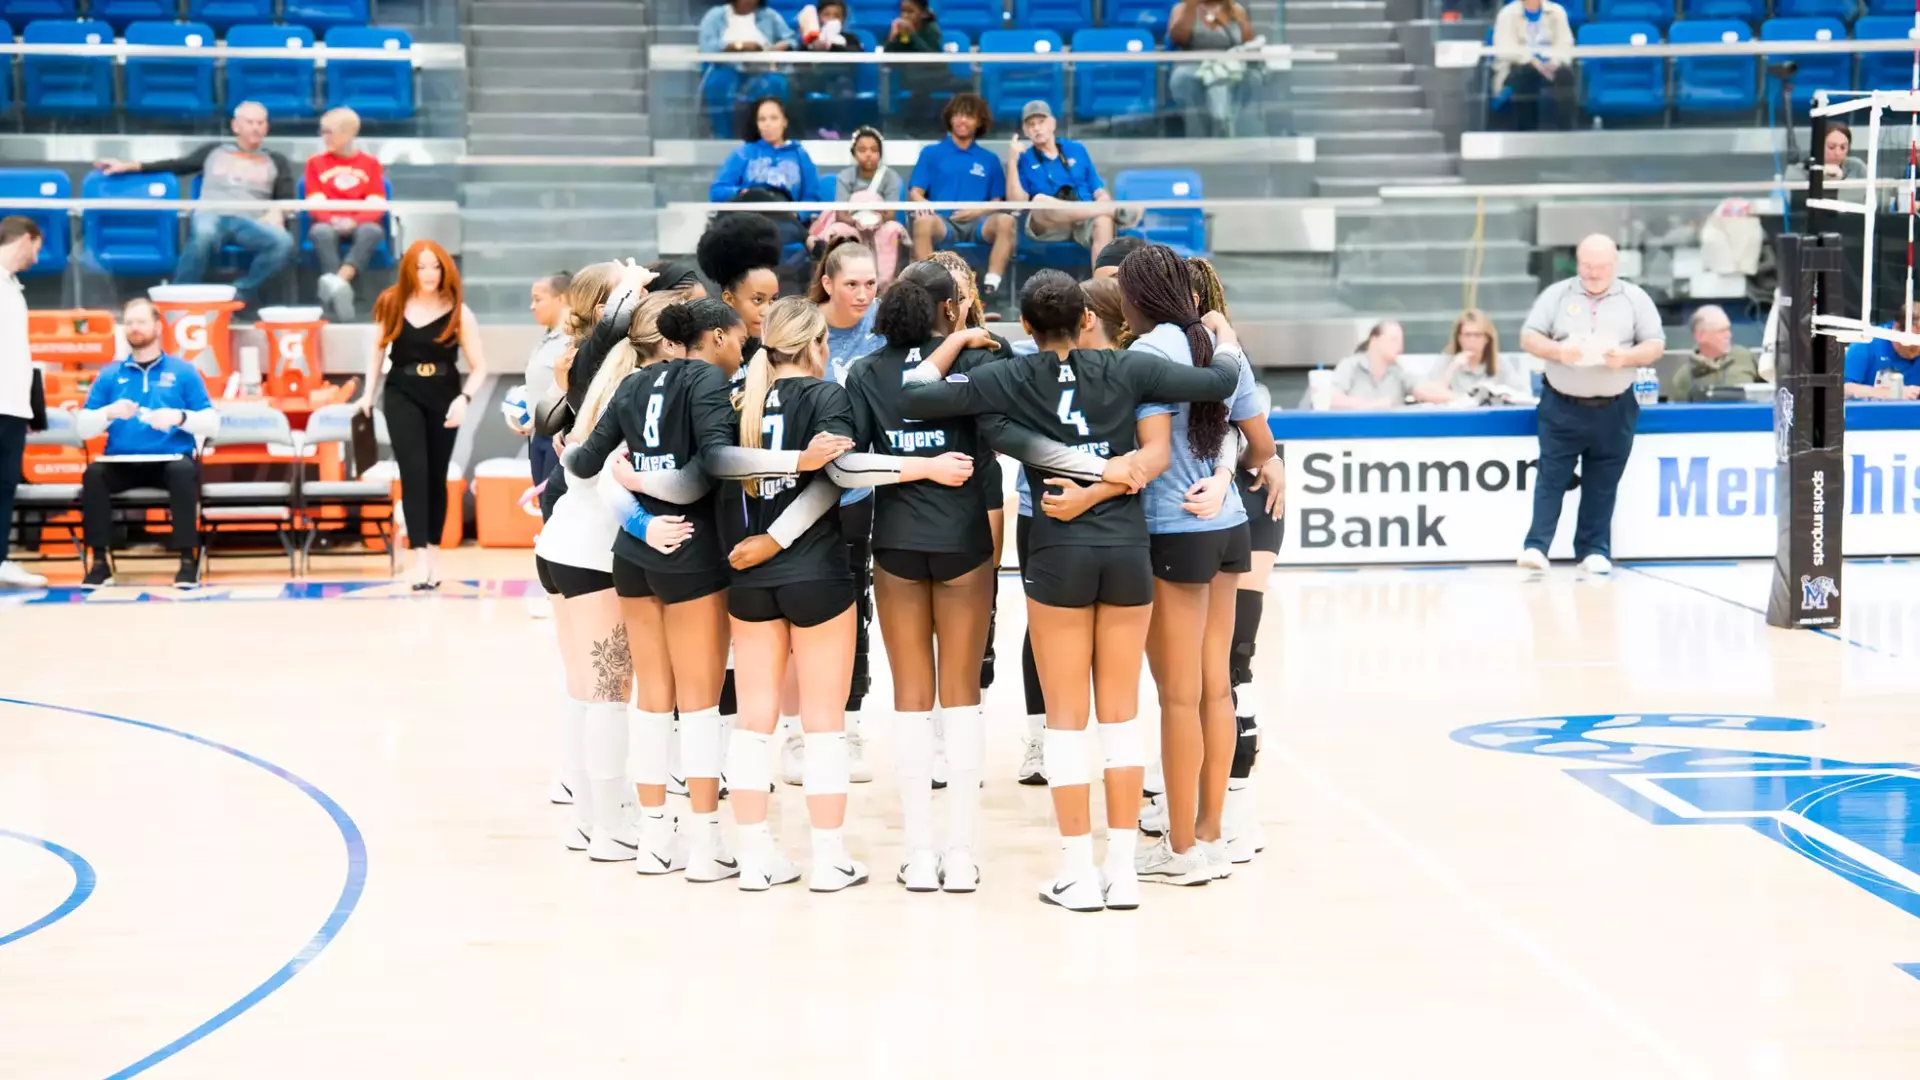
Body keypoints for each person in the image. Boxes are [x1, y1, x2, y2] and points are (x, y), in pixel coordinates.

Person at [899, 269, 1249, 913]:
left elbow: (914, 392)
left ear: (1026, 328)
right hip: (1126, 552)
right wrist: (1221, 332)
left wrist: (957, 342)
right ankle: (1120, 873)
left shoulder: (1009, 375)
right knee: (1120, 718)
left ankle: (1075, 873)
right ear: (1087, 320)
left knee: (1066, 723)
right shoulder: (1127, 370)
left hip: (1058, 550)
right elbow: (1220, 383)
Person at [1120, 244, 1280, 884]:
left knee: (1177, 696)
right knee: (1218, 688)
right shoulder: (1222, 348)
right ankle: (1214, 836)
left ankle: (1180, 848)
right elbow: (1260, 447)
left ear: (1137, 296)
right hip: (1231, 529)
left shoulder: (1147, 354)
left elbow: (1145, 448)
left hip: (1173, 528)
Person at [527, 288, 658, 862]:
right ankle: (607, 827)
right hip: (591, 555)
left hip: (558, 547)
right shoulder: (631, 400)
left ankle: (587, 816)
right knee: (608, 693)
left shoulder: (594, 394)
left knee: (584, 689)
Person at [1010, 273, 1134, 785]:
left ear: (1091, 320)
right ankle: (1041, 738)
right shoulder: (1030, 360)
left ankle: (1092, 745)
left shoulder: (1126, 373)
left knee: (1106, 642)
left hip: (1102, 521)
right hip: (1036, 506)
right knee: (1039, 634)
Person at [1190, 256, 1278, 865]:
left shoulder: (1232, 358)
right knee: (1186, 675)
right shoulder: (1154, 352)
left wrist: (1266, 459)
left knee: (1232, 662)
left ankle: (1238, 804)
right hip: (1189, 513)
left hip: (1245, 505)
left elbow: (1257, 442)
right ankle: (1188, 795)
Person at [1517, 233, 1665, 574]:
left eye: (1600, 267)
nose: (1593, 273)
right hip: (1561, 404)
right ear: (1577, 262)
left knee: (1603, 482)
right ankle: (1536, 547)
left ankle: (1593, 549)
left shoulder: (1634, 298)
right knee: (1551, 477)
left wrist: (1627, 358)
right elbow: (1529, 336)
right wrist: (1558, 351)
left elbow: (1655, 344)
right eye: (1587, 265)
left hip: (1615, 407)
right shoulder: (1556, 296)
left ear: (1615, 264)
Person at [353, 240, 490, 589]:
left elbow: (479, 366)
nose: (429, 274)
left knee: (436, 474)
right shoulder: (392, 302)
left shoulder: (458, 309)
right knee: (413, 471)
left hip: (444, 393)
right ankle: (419, 560)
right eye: (421, 267)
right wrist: (367, 394)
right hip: (402, 391)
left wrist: (464, 399)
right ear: (409, 269)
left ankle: (434, 554)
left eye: (435, 267)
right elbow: (376, 351)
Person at [75, 298, 220, 589]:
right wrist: (109, 412)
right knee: (93, 476)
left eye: (141, 321)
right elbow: (82, 428)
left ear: (157, 326)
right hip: (121, 462)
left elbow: (212, 423)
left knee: (183, 472)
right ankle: (100, 563)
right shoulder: (110, 374)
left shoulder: (184, 371)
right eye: (128, 322)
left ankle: (187, 561)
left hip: (169, 460)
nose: (134, 328)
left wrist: (178, 417)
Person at [96, 101, 296, 305]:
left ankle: (238, 294)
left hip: (250, 223)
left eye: (260, 122)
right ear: (236, 126)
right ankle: (177, 299)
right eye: (250, 122)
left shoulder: (276, 160)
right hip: (211, 215)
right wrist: (129, 166)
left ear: (267, 127)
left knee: (283, 242)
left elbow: (288, 199)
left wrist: (278, 212)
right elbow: (177, 165)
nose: (255, 127)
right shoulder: (215, 151)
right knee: (204, 235)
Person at [908, 94, 1017, 302]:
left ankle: (991, 285)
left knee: (1006, 220)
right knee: (922, 223)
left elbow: (998, 202)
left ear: (979, 122)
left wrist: (978, 211)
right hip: (943, 222)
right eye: (958, 115)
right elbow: (915, 192)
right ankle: (928, 288)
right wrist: (923, 204)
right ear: (950, 118)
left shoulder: (989, 159)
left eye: (969, 116)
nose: (962, 120)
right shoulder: (932, 153)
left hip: (979, 224)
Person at [1005, 100, 1131, 269]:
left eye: (1041, 122)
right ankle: (1114, 211)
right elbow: (1016, 202)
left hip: (1085, 219)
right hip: (1048, 225)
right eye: (1031, 124)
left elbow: (1098, 189)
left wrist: (1103, 198)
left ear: (1053, 124)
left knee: (1103, 219)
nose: (1036, 128)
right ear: (1026, 131)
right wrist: (1012, 161)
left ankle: (1102, 288)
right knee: (1040, 201)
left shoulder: (1076, 149)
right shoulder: (1025, 159)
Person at [304, 106, 388, 321]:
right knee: (321, 231)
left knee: (372, 230)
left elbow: (376, 205)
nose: (324, 137)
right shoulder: (315, 163)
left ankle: (338, 282)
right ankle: (339, 293)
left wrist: (354, 221)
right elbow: (314, 203)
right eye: (322, 131)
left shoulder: (370, 164)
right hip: (328, 221)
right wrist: (333, 220)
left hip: (359, 221)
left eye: (330, 132)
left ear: (349, 133)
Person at [0, 216, 44, 589]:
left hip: (12, 405)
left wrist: (28, 405)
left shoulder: (14, 287)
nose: (38, 258)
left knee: (4, 484)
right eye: (38, 248)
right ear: (26, 240)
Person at [808, 127, 910, 283]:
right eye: (862, 150)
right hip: (851, 223)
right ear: (854, 153)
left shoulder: (890, 177)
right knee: (839, 231)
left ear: (880, 154)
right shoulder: (845, 177)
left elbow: (890, 214)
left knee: (891, 230)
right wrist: (858, 222)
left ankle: (883, 283)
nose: (868, 154)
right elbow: (841, 214)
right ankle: (843, 280)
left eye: (873, 150)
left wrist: (874, 221)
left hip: (880, 225)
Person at [698, 0, 795, 138]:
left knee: (776, 83)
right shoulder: (715, 16)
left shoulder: (769, 16)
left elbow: (791, 40)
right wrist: (737, 46)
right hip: (726, 68)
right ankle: (724, 138)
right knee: (718, 84)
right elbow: (706, 47)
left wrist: (780, 46)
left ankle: (767, 139)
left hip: (762, 70)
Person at [697, 212, 785, 360]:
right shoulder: (709, 354)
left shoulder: (780, 350)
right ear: (729, 299)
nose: (767, 311)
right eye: (758, 300)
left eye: (773, 299)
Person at [1167, 0, 1261, 137]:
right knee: (1185, 77)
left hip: (1229, 65)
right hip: (1193, 64)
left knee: (1226, 80)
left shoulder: (1236, 10)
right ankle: (1210, 132)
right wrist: (1191, 7)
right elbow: (1178, 39)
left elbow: (1248, 42)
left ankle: (1222, 128)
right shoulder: (1182, 9)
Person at [710, 97, 824, 208]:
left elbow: (812, 198)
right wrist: (742, 193)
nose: (767, 124)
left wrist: (797, 215)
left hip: (786, 218)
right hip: (749, 216)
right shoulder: (744, 152)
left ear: (784, 122)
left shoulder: (800, 155)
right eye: (762, 119)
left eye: (773, 118)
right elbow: (717, 191)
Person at [1489, 0, 1573, 132]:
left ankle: (1566, 133)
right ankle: (1527, 132)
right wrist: (1532, 61)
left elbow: (1565, 45)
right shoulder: (1507, 14)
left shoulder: (1557, 12)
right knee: (1527, 74)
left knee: (1566, 75)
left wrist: (1554, 62)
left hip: (1550, 67)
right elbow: (1505, 50)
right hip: (1517, 68)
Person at [794, 0, 867, 137]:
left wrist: (832, 44)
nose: (831, 19)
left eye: (836, 15)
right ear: (819, 17)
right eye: (826, 14)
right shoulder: (809, 41)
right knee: (796, 88)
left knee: (844, 88)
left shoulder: (850, 39)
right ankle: (804, 134)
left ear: (843, 19)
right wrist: (812, 46)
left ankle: (843, 133)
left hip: (840, 81)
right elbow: (798, 63)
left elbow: (855, 58)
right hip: (813, 82)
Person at [1425, 307, 1528, 403]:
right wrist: (1452, 367)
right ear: (1459, 338)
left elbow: (1522, 395)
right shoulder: (1447, 360)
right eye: (1467, 335)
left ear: (1487, 339)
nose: (1472, 340)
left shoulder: (1500, 363)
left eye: (1477, 335)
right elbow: (1429, 394)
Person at [1329, 321, 1435, 409]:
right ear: (1374, 340)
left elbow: (1424, 389)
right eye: (1394, 340)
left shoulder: (1399, 371)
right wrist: (1374, 405)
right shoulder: (1350, 366)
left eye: (1401, 342)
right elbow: (1331, 400)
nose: (1400, 348)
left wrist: (1450, 397)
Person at [1667, 304, 1760, 402]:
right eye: (1721, 331)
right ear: (1700, 336)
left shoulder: (1745, 357)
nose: (1728, 335)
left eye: (1728, 329)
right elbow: (1676, 414)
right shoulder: (1684, 377)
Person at [1842, 300, 1920, 400]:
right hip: (1869, 412)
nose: (1918, 349)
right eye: (1913, 343)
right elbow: (1844, 389)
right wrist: (1891, 394)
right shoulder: (1866, 344)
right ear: (1896, 329)